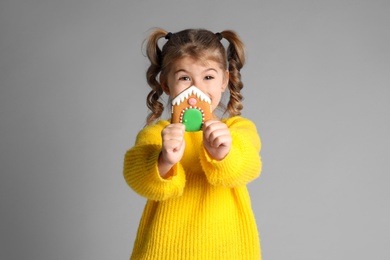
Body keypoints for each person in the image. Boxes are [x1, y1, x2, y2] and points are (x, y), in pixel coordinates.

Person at [123, 28, 263, 259]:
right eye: (184, 78)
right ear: (166, 84)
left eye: (208, 77)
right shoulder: (157, 134)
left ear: (224, 80)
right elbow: (138, 178)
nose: (196, 89)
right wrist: (164, 160)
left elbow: (247, 167)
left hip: (229, 250)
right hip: (164, 250)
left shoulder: (239, 130)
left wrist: (224, 154)